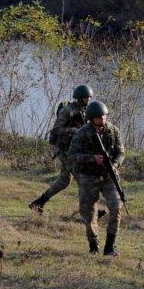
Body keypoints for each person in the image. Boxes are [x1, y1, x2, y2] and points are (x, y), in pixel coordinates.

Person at [65, 100, 124, 255]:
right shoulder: (82, 133)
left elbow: (120, 152)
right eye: (99, 117)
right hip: (88, 176)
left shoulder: (113, 130)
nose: (102, 119)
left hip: (109, 174)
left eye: (104, 116)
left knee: (116, 206)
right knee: (88, 212)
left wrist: (115, 165)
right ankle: (93, 244)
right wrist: (92, 158)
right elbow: (72, 156)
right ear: (91, 118)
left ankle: (110, 247)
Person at [29, 84, 93, 212]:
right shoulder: (68, 111)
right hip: (64, 150)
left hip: (73, 149)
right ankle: (90, 211)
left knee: (64, 181)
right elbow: (56, 129)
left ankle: (39, 203)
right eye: (86, 98)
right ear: (80, 98)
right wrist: (73, 130)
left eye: (89, 98)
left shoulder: (84, 111)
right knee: (82, 179)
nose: (89, 100)